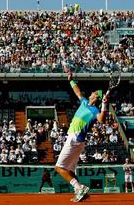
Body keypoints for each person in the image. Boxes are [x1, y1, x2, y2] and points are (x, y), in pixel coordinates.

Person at [55, 72, 110, 202]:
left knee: (59, 168)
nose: (92, 93)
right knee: (70, 170)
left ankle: (79, 188)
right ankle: (81, 192)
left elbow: (102, 120)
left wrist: (104, 105)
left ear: (96, 97)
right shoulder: (84, 102)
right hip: (77, 141)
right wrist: (71, 80)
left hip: (75, 139)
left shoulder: (95, 110)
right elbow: (77, 91)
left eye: (94, 92)